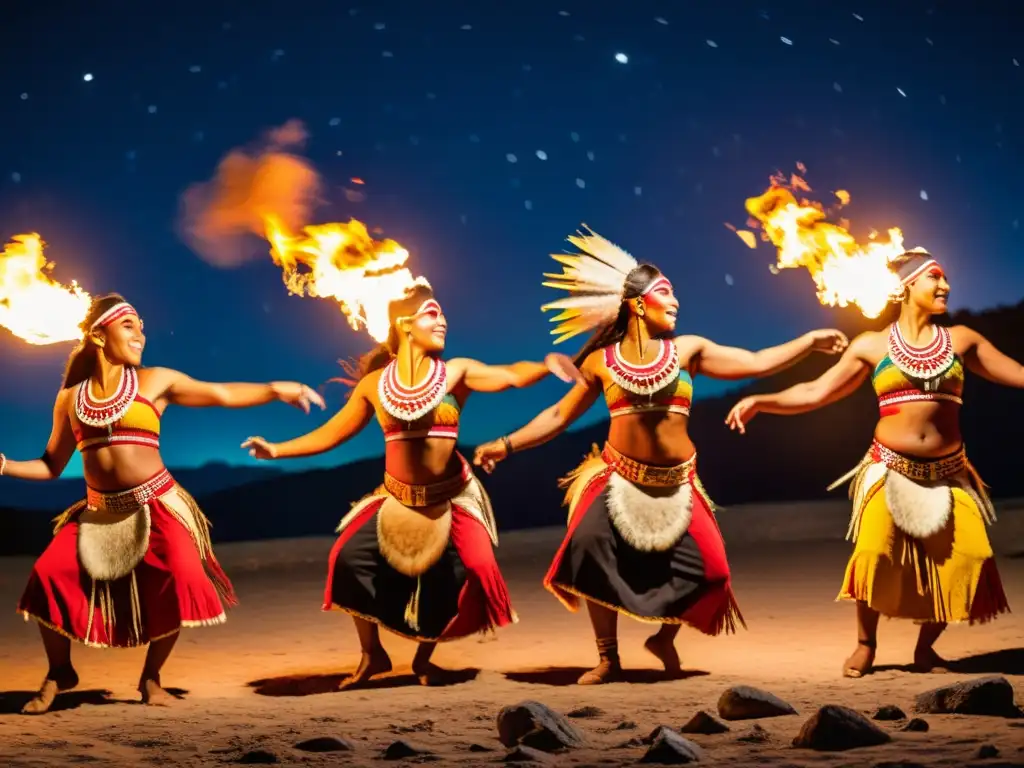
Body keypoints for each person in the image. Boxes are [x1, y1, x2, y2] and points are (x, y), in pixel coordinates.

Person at [472, 226, 848, 684]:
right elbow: (556, 416)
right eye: (665, 293)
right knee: (590, 548)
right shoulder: (601, 362)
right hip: (616, 477)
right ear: (635, 304)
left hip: (679, 483)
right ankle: (608, 657)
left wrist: (807, 341)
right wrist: (506, 443)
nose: (675, 303)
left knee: (712, 570)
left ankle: (664, 637)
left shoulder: (688, 350)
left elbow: (756, 361)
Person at [242, 278, 576, 689]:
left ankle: (423, 658)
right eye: (432, 313)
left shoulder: (456, 373)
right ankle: (372, 656)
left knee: (475, 567)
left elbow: (508, 375)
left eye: (442, 313)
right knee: (346, 560)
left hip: (450, 498)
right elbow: (331, 434)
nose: (443, 321)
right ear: (403, 325)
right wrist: (278, 450)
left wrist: (544, 367)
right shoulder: (375, 386)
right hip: (395, 499)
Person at [1, 293, 324, 714]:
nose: (141, 335)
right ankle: (59, 671)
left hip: (156, 503)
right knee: (48, 574)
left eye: (142, 325)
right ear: (99, 336)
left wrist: (275, 389)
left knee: (180, 576)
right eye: (129, 325)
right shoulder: (70, 399)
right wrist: (4, 465)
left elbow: (220, 393)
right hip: (98, 511)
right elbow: (51, 464)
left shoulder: (155, 381)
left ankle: (151, 678)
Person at [726, 250, 1016, 677]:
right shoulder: (871, 345)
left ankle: (925, 649)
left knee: (969, 560)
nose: (945, 287)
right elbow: (814, 392)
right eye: (934, 278)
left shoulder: (962, 340)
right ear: (905, 287)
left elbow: (1016, 372)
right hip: (889, 468)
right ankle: (866, 645)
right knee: (875, 554)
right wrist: (761, 400)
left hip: (950, 474)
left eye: (947, 279)